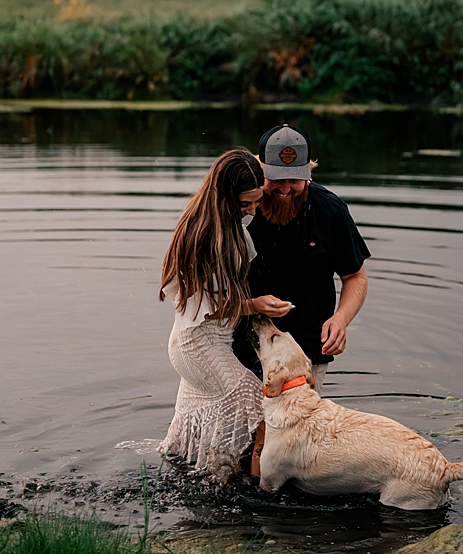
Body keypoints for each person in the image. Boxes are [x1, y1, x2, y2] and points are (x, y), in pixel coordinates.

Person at [154, 149, 295, 482]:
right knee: (259, 409)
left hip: (206, 342)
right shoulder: (203, 236)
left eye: (255, 202)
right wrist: (254, 305)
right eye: (244, 204)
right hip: (199, 344)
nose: (252, 211)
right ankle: (246, 490)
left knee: (183, 438)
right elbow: (203, 306)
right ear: (223, 196)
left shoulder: (225, 225)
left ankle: (185, 479)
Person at [235, 124, 371, 393]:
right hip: (240, 345)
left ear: (309, 171)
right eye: (276, 179)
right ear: (259, 170)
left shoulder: (330, 211)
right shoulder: (242, 208)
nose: (285, 189)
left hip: (305, 352)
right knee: (241, 434)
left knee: (298, 432)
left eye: (294, 179)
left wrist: (341, 319)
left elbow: (355, 275)